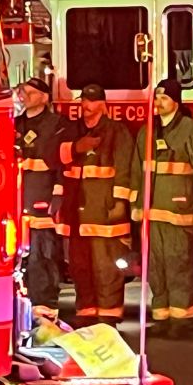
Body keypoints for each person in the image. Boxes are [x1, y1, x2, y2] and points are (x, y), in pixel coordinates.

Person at [130, 79, 193, 339]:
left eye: (164, 99)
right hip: (152, 212)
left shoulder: (191, 130)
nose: (158, 103)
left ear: (176, 102)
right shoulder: (147, 132)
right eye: (156, 98)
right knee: (155, 266)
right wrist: (136, 205)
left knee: (178, 264)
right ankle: (163, 315)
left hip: (180, 211)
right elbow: (137, 171)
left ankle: (183, 319)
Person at [53, 83, 133, 326]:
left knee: (105, 266)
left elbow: (124, 169)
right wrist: (77, 147)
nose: (85, 106)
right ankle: (86, 312)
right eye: (83, 101)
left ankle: (108, 315)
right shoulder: (72, 130)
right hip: (77, 211)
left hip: (104, 211)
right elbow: (54, 156)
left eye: (91, 102)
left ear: (103, 104)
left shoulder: (117, 132)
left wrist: (119, 202)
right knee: (80, 267)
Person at [15, 77, 69, 321]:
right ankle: (25, 307)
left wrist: (56, 198)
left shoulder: (57, 125)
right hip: (16, 203)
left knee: (43, 255)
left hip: (42, 201)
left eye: (30, 92)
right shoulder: (16, 124)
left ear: (45, 97)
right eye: (22, 91)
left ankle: (46, 307)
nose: (24, 95)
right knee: (20, 259)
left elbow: (61, 165)